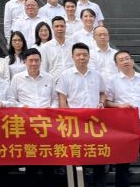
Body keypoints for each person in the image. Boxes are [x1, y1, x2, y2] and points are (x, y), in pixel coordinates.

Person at [106, 50, 140, 187]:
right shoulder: (112, 80)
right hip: (124, 126)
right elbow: (107, 102)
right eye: (121, 60)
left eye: (127, 58)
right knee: (122, 164)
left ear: (132, 61)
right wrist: (120, 105)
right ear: (116, 65)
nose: (125, 61)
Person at [56, 43, 107, 187]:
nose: (82, 57)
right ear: (72, 57)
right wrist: (67, 120)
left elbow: (103, 93)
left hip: (95, 124)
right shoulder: (65, 75)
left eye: (85, 55)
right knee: (77, 158)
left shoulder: (97, 75)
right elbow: (62, 100)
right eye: (78, 55)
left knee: (98, 158)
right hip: (76, 124)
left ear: (89, 56)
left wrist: (101, 103)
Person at [6, 48, 57, 187]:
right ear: (25, 62)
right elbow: (12, 100)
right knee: (31, 159)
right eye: (31, 60)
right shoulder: (17, 78)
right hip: (27, 124)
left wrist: (51, 110)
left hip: (47, 125)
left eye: (36, 60)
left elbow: (54, 99)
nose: (34, 63)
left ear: (41, 61)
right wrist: (22, 107)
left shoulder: (49, 77)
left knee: (48, 161)